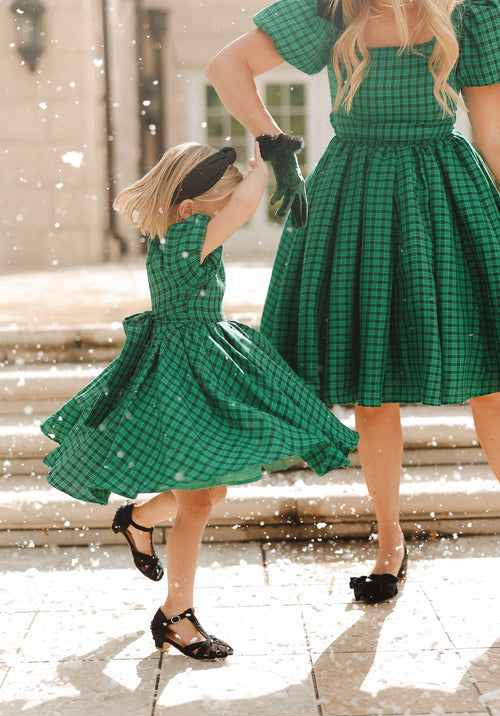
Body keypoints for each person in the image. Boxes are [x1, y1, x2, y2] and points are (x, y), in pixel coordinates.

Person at [205, 0, 500, 604]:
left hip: (446, 195)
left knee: (493, 384)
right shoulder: (330, 14)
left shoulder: (470, 17)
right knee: (373, 388)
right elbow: (226, 66)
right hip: (355, 195)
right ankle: (390, 544)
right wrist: (273, 141)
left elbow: (491, 130)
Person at [40, 141, 359, 658]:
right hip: (186, 373)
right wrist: (266, 162)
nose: (226, 218)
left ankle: (140, 519)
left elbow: (237, 207)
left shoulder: (174, 232)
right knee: (196, 503)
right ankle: (176, 616)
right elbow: (245, 206)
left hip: (195, 363)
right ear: (191, 210)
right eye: (217, 206)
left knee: (211, 495)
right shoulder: (188, 235)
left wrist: (263, 166)